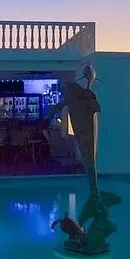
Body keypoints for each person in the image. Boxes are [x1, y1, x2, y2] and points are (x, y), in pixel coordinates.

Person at [43, 64, 101, 194]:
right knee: (89, 160)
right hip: (84, 128)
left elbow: (55, 108)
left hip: (83, 130)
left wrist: (47, 118)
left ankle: (94, 191)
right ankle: (94, 191)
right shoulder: (80, 93)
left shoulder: (72, 95)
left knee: (88, 158)